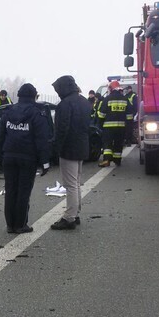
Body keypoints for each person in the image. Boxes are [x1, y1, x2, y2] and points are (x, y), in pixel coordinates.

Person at [0, 83, 50, 234]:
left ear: (19, 96)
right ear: (33, 96)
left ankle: (10, 225)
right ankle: (20, 224)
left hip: (9, 157)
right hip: (27, 158)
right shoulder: (37, 113)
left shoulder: (8, 112)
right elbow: (41, 139)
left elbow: (0, 137)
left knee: (10, 190)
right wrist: (45, 162)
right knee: (23, 191)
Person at [51, 75, 91, 230]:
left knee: (70, 184)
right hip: (81, 146)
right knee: (76, 182)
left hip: (69, 148)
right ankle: (76, 212)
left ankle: (69, 218)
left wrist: (56, 147)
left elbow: (62, 129)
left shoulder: (65, 105)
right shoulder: (84, 102)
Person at [97, 80, 135, 167]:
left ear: (111, 89)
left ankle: (106, 160)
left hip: (108, 127)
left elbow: (101, 114)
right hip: (121, 127)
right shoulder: (125, 99)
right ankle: (117, 160)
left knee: (107, 143)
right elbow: (129, 115)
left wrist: (100, 124)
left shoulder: (107, 99)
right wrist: (128, 127)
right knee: (118, 143)